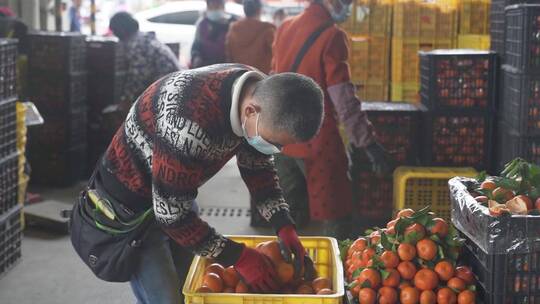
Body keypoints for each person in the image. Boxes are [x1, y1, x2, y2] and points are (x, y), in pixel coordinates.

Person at [70, 64, 325, 303]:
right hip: (131, 207)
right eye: (274, 142)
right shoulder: (188, 120)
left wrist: (283, 225)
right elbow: (171, 216)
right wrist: (240, 257)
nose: (276, 149)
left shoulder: (256, 93)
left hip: (175, 189)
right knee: (167, 298)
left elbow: (257, 166)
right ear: (250, 112)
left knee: (187, 285)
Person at [272, 0, 392, 238]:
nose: (347, 6)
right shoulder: (332, 36)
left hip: (283, 139)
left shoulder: (285, 27)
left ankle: (291, 269)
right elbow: (344, 99)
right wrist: (367, 142)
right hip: (318, 142)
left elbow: (273, 80)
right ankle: (334, 269)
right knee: (335, 220)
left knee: (290, 222)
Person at [109, 12, 181, 115]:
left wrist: (125, 100)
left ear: (122, 30)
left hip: (169, 93)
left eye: (115, 31)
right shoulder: (143, 38)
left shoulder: (137, 44)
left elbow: (137, 78)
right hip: (172, 87)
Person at [225, 0, 275, 74]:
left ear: (244, 10)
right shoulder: (268, 29)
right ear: (259, 10)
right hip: (262, 78)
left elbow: (228, 55)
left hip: (239, 77)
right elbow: (276, 54)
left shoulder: (234, 29)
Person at [191, 0, 236, 68]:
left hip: (226, 68)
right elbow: (196, 46)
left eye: (217, 6)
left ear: (223, 7)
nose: (214, 8)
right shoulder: (202, 24)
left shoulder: (231, 24)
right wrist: (196, 57)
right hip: (206, 68)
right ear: (208, 7)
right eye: (212, 6)